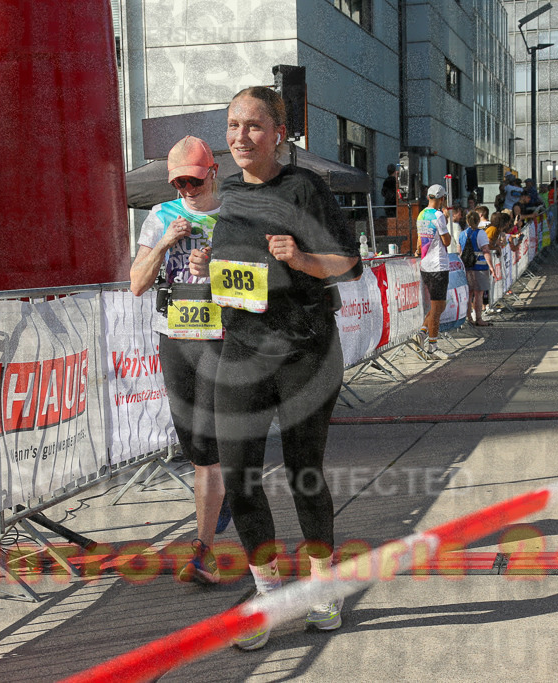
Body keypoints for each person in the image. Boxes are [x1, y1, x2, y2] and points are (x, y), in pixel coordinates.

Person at [205, 86, 361, 650]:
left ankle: (323, 586)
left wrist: (299, 259)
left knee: (304, 473)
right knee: (239, 477)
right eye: (232, 126)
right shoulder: (227, 195)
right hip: (242, 353)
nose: (240, 137)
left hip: (306, 350)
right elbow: (234, 274)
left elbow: (349, 263)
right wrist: (209, 265)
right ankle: (268, 593)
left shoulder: (305, 188)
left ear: (278, 133)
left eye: (252, 126)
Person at [129, 135, 229, 586]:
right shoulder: (160, 217)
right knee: (193, 446)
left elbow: (259, 284)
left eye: (193, 179)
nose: (186, 189)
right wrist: (166, 242)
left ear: (212, 172)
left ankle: (202, 547)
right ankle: (219, 500)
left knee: (207, 448)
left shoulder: (233, 214)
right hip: (175, 339)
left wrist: (217, 269)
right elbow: (136, 284)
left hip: (222, 340)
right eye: (178, 182)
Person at [412, 184, 452, 359]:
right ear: (442, 199)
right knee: (437, 308)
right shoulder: (438, 215)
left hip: (426, 265)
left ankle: (421, 334)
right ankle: (433, 346)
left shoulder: (421, 214)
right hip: (438, 265)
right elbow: (447, 241)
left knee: (439, 306)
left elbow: (421, 239)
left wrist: (417, 250)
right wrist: (447, 220)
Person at [460, 211, 494, 326]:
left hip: (467, 267)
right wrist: (491, 266)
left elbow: (461, 252)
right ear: (478, 220)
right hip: (480, 267)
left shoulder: (462, 234)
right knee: (478, 294)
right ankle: (478, 318)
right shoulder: (481, 233)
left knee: (468, 294)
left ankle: (469, 318)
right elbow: (485, 250)